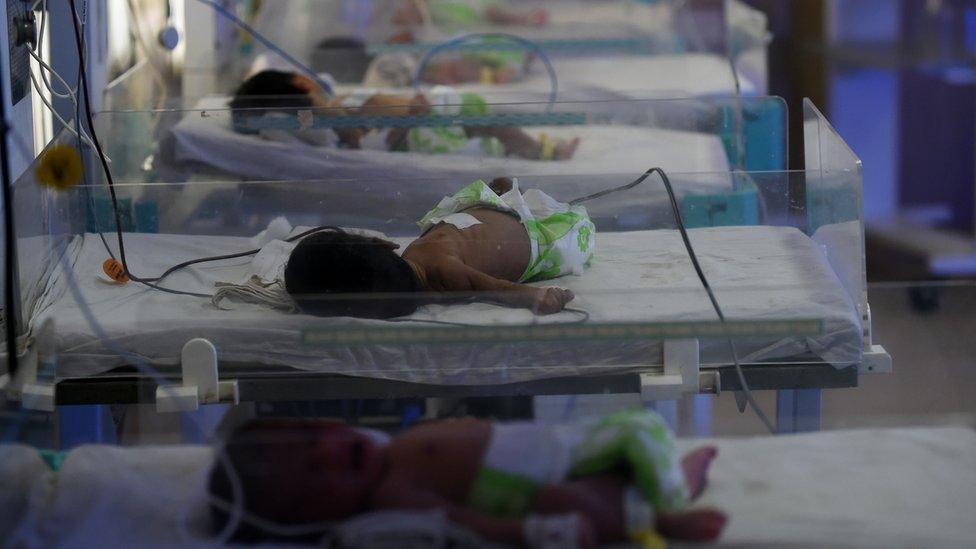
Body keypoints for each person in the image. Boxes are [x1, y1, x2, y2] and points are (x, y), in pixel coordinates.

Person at [208, 409, 726, 546]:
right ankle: (672, 501)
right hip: (531, 485)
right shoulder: (392, 497)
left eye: (312, 434)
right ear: (311, 516)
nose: (327, 447)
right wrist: (524, 532)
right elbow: (460, 523)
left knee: (623, 453)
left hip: (557, 450)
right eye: (312, 471)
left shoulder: (385, 455)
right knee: (638, 434)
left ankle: (667, 488)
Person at [283, 177, 595, 319]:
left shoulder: (443, 271)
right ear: (385, 243)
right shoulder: (418, 257)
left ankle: (506, 198)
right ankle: (505, 196)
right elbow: (489, 285)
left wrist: (536, 297)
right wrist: (538, 296)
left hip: (533, 233)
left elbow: (493, 287)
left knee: (572, 226)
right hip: (493, 220)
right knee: (457, 222)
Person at [229, 70, 579, 160]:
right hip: (415, 131)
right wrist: (407, 117)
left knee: (484, 118)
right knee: (488, 124)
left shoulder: (327, 107)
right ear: (302, 85)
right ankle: (537, 150)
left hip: (418, 118)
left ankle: (528, 145)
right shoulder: (317, 119)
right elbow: (360, 142)